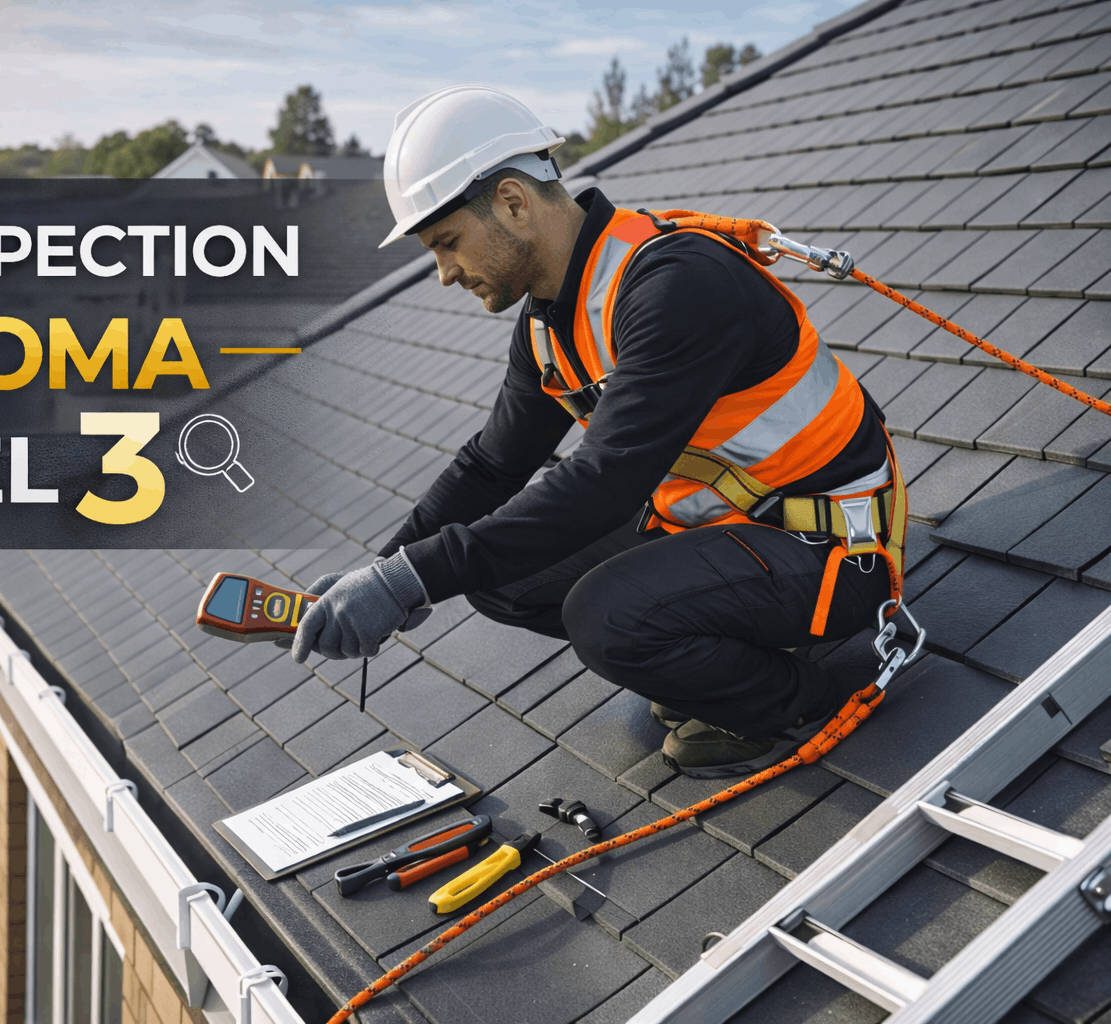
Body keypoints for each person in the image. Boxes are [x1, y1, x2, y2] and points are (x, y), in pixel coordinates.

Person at [289, 85, 905, 779]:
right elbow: (492, 465)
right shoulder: (552, 320)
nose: (443, 274)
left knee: (605, 616)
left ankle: (805, 697)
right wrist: (387, 571)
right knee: (499, 577)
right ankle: (716, 652)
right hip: (723, 529)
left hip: (830, 551)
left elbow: (605, 482)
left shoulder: (674, 285)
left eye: (447, 243)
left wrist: (410, 578)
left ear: (515, 203)